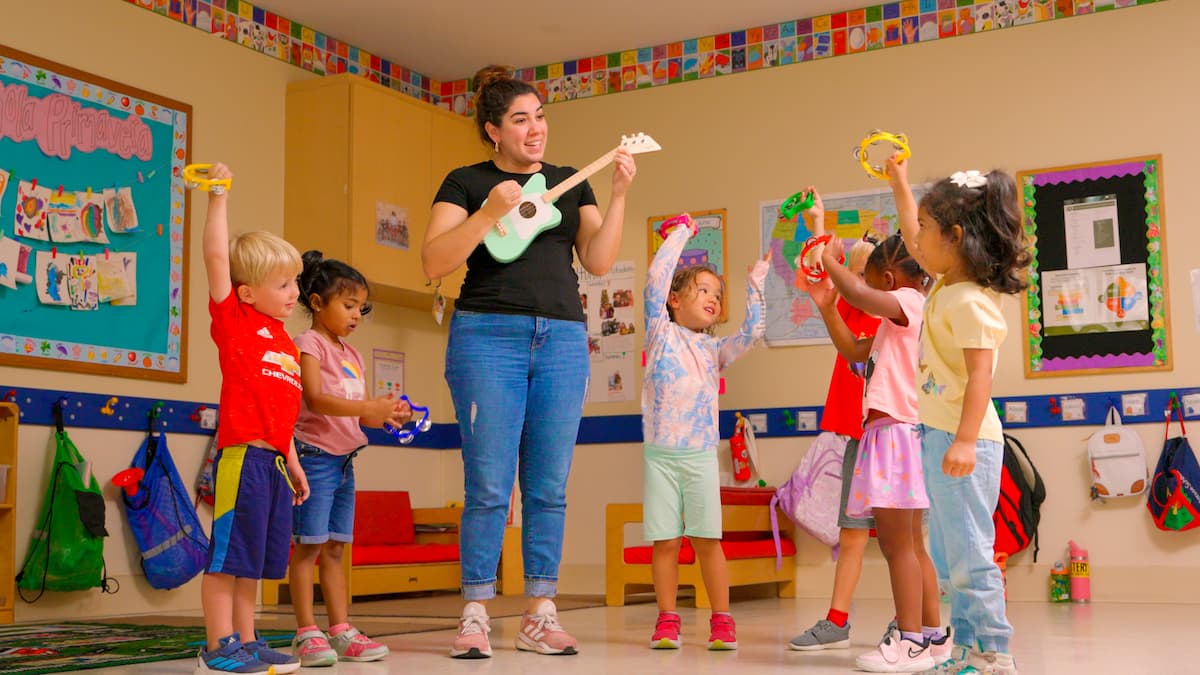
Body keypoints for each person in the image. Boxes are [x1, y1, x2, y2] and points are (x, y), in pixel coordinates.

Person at [421, 65, 637, 659]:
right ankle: (475, 612)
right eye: (520, 119)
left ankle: (541, 611)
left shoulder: (570, 182)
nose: (535, 128)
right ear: (493, 130)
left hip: (563, 338)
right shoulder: (465, 181)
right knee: (488, 484)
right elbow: (433, 262)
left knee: (548, 486)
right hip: (486, 335)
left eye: (540, 115)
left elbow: (597, 260)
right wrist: (489, 211)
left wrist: (618, 194)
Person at [888, 157, 1031, 675]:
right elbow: (910, 227)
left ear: (954, 236)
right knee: (951, 559)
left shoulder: (970, 300)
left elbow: (981, 378)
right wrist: (900, 183)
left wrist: (965, 442)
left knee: (972, 555)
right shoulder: (944, 285)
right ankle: (968, 652)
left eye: (927, 231)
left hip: (965, 440)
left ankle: (993, 650)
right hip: (939, 435)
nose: (915, 241)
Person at [814, 220, 942, 672]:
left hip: (895, 437)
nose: (866, 289)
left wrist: (828, 260)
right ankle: (931, 636)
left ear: (889, 280)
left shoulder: (907, 303)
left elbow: (860, 295)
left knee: (896, 548)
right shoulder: (900, 325)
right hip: (898, 437)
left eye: (870, 278)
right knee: (912, 545)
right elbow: (854, 350)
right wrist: (829, 308)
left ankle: (909, 642)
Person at [198, 162, 309, 674]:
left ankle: (246, 638)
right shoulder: (236, 322)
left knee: (257, 560)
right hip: (241, 458)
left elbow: (280, 414)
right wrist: (218, 194)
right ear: (247, 292)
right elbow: (217, 257)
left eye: (295, 283)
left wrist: (293, 462)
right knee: (229, 556)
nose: (294, 293)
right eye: (283, 284)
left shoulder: (284, 341)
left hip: (273, 463)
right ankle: (218, 647)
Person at [643, 218, 770, 651]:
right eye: (702, 290)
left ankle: (722, 620)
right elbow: (656, 280)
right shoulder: (660, 332)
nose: (713, 298)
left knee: (707, 541)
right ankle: (667, 620)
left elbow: (752, 334)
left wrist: (755, 283)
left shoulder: (713, 350)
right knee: (664, 541)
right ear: (674, 301)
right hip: (660, 457)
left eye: (717, 294)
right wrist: (678, 234)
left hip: (698, 456)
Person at [287, 251, 413, 667]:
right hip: (314, 458)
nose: (357, 314)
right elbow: (316, 399)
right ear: (318, 303)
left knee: (337, 548)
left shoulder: (353, 356)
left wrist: (387, 414)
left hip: (344, 461)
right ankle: (307, 632)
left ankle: (340, 630)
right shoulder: (309, 344)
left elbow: (358, 412)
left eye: (362, 307)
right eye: (348, 305)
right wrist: (366, 409)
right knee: (308, 548)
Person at [787, 226, 882, 653]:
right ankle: (837, 620)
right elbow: (818, 269)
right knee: (852, 535)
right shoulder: (848, 310)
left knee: (911, 540)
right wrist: (817, 222)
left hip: (894, 437)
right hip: (855, 438)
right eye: (851, 271)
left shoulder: (889, 312)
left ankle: (914, 621)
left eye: (861, 273)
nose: (851, 279)